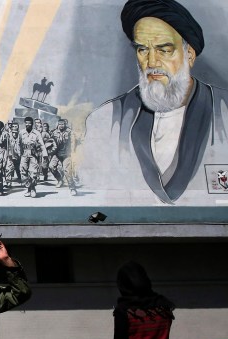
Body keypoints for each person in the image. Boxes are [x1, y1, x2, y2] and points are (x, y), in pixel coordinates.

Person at [82, 0, 228, 205]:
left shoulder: (224, 110)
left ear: (189, 54)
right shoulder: (104, 122)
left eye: (164, 50)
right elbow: (91, 205)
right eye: (142, 50)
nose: (151, 62)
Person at [19, 117, 44, 198]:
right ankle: (29, 188)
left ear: (32, 124)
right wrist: (19, 153)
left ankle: (32, 189)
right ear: (24, 123)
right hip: (24, 153)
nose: (28, 124)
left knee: (33, 173)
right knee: (23, 171)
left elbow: (41, 144)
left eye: (29, 123)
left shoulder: (37, 133)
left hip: (34, 154)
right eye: (26, 123)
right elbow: (18, 144)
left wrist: (44, 154)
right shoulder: (21, 132)